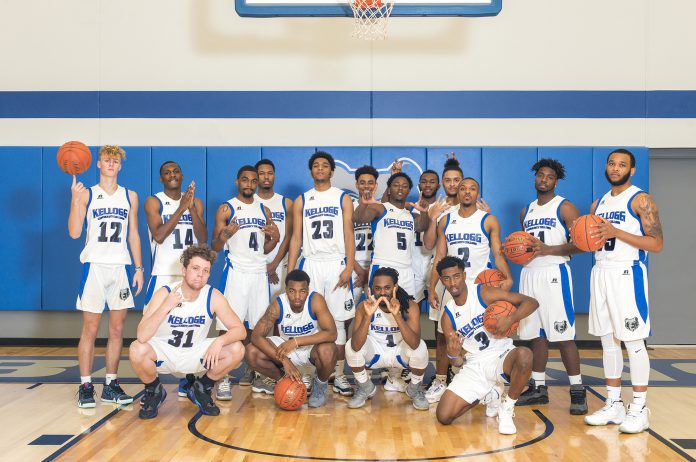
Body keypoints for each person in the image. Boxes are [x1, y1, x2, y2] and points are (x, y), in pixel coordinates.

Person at [584, 149, 663, 434]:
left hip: (627, 273)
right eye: (611, 163)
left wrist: (617, 232)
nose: (615, 168)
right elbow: (594, 240)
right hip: (601, 272)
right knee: (608, 341)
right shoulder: (598, 204)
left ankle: (640, 407)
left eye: (622, 165)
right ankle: (613, 403)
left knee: (633, 341)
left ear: (632, 171)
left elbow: (656, 244)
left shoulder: (641, 199)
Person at [129, 244, 246, 419]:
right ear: (184, 270)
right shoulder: (165, 293)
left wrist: (219, 341)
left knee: (237, 348)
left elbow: (240, 330)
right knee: (136, 349)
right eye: (196, 268)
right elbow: (142, 336)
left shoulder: (213, 296)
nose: (200, 274)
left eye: (206, 271)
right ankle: (154, 390)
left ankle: (201, 388)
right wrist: (166, 306)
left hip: (195, 352)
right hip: (165, 352)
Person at [68, 145, 144, 408]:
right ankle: (86, 385)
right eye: (106, 160)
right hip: (95, 267)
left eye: (115, 160)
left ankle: (110, 384)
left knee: (117, 329)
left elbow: (133, 233)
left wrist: (138, 268)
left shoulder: (130, 196)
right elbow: (75, 232)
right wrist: (74, 201)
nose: (111, 164)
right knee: (90, 329)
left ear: (120, 166)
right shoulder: (87, 194)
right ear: (98, 164)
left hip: (120, 268)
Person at [426, 177, 509, 404]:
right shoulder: (446, 220)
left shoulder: (488, 220)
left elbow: (498, 253)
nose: (467, 192)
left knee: (488, 333)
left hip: (480, 287)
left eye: (472, 189)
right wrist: (431, 286)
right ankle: (441, 380)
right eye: (463, 188)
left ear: (477, 193)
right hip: (451, 286)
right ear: (457, 193)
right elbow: (440, 257)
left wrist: (508, 276)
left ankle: (491, 382)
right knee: (445, 336)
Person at [435, 256, 538, 435]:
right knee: (444, 416)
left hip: (501, 355)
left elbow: (531, 302)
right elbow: (458, 363)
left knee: (525, 355)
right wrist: (452, 356)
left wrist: (511, 319)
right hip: (474, 364)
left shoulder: (483, 293)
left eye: (456, 276)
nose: (452, 282)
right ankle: (489, 393)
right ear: (441, 280)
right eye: (446, 278)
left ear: (464, 275)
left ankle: (506, 407)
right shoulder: (447, 317)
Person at [515, 158, 587, 414]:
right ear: (535, 178)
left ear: (556, 181)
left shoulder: (565, 207)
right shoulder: (526, 211)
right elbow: (524, 247)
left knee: (563, 335)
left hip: (555, 273)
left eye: (549, 176)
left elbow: (582, 243)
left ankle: (577, 390)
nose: (544, 179)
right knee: (536, 334)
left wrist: (549, 250)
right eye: (540, 175)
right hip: (529, 274)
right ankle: (539, 388)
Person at [287, 151, 356, 396]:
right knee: (309, 319)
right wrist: (291, 267)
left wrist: (349, 266)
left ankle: (337, 374)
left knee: (337, 321)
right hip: (312, 263)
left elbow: (349, 233)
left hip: (336, 262)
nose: (320, 169)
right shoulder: (302, 200)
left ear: (331, 171)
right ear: (311, 171)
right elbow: (296, 237)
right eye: (315, 166)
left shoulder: (342, 198)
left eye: (324, 166)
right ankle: (306, 373)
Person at [211, 165, 279, 398]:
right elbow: (215, 247)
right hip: (236, 272)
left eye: (253, 180)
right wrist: (225, 235)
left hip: (258, 272)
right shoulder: (226, 208)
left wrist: (276, 238)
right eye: (245, 180)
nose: (249, 184)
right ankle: (222, 377)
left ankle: (257, 373)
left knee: (258, 327)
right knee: (229, 327)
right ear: (237, 181)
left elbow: (266, 247)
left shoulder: (265, 210)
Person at [144, 160, 207, 397]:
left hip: (189, 275)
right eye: (167, 172)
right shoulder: (154, 201)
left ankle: (188, 378)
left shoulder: (196, 202)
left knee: (190, 323)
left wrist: (190, 208)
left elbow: (202, 238)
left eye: (176, 171)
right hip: (162, 273)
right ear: (161, 178)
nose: (172, 175)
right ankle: (152, 384)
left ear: (182, 175)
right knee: (154, 326)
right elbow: (159, 236)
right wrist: (181, 208)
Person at [246, 269, 338, 407]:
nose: (297, 296)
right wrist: (284, 360)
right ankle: (284, 380)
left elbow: (332, 333)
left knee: (329, 350)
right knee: (250, 352)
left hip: (309, 348)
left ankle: (320, 386)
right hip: (284, 346)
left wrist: (296, 341)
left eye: (302, 291)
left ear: (308, 290)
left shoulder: (316, 300)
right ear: (286, 290)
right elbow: (256, 336)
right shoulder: (278, 305)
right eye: (292, 291)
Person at [345, 267, 430, 410]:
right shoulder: (364, 306)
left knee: (421, 348)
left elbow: (414, 344)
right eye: (377, 288)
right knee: (349, 347)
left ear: (395, 287)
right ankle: (366, 387)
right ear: (372, 288)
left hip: (399, 354)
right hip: (376, 354)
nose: (382, 293)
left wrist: (397, 315)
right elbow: (356, 346)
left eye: (387, 288)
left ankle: (414, 389)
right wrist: (367, 316)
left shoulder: (409, 305)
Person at [353, 172, 430, 298]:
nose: (400, 188)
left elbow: (422, 227)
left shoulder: (411, 215)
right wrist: (363, 204)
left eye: (404, 186)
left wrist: (425, 213)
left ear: (409, 191)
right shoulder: (380, 208)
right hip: (383, 266)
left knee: (406, 310)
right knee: (379, 310)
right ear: (389, 189)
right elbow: (358, 219)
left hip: (406, 268)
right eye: (396, 185)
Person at [255, 159, 294, 299]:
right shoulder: (250, 202)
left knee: (279, 312)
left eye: (270, 173)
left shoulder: (286, 203)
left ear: (274, 176)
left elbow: (289, 237)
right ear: (256, 176)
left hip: (280, 265)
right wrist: (264, 265)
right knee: (257, 313)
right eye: (262, 173)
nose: (266, 177)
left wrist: (274, 265)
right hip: (256, 266)